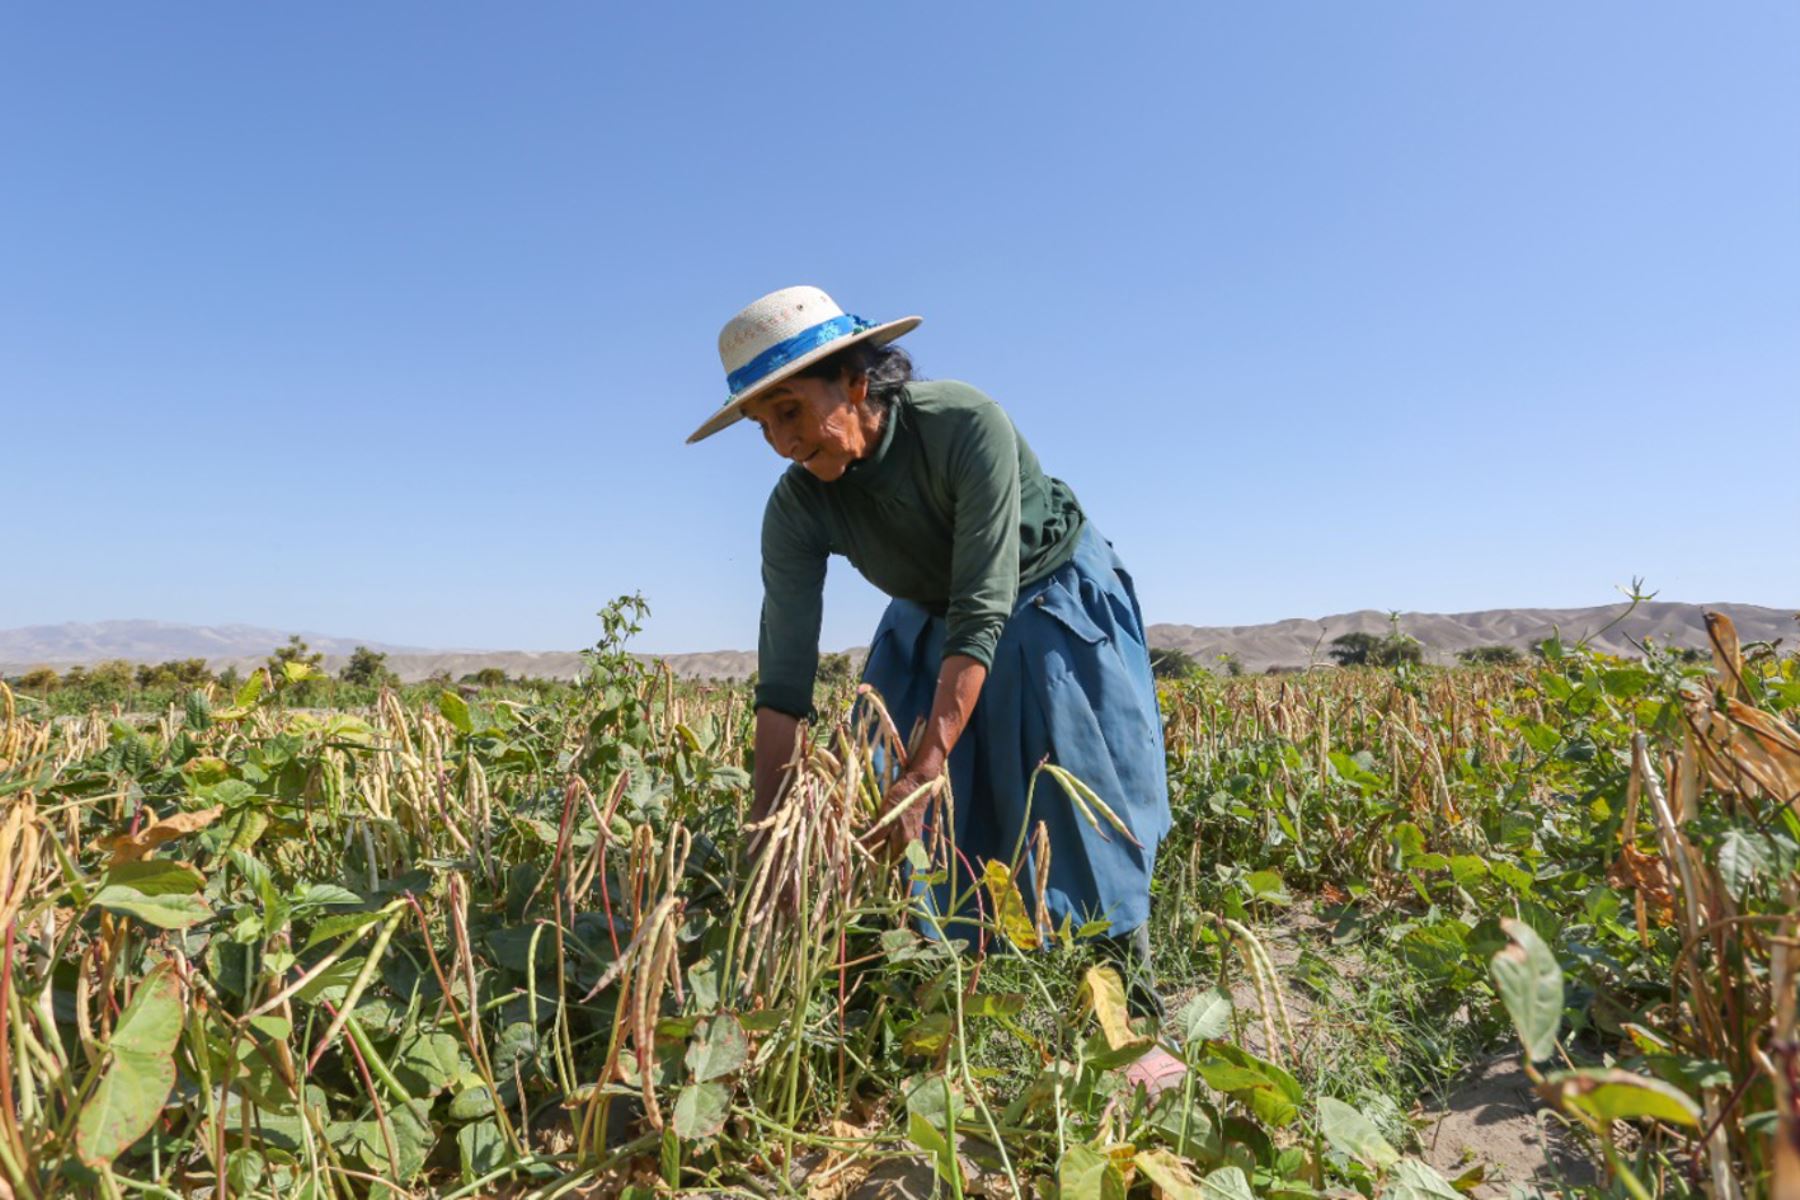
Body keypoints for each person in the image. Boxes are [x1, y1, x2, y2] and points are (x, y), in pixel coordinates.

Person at [687, 285, 1182, 1093]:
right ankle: (926, 982)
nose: (780, 442)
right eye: (763, 425)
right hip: (926, 617)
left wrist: (930, 767)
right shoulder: (798, 508)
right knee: (879, 798)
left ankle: (1128, 1026)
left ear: (854, 381)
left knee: (1075, 801)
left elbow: (985, 604)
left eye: (789, 411)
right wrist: (768, 826)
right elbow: (784, 674)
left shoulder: (961, 423)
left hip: (1043, 600)